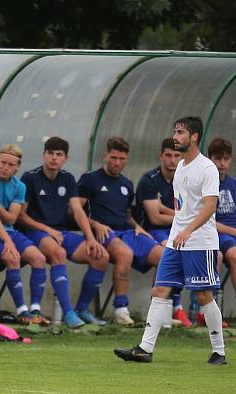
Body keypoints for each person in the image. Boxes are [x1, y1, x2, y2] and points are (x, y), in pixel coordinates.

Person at [115, 116, 226, 365]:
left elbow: (210, 207)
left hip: (200, 242)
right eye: (175, 132)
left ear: (194, 136)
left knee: (203, 296)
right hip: (178, 242)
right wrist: (179, 231)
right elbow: (183, 209)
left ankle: (219, 351)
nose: (175, 137)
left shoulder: (206, 168)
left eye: (180, 132)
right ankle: (144, 349)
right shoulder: (182, 169)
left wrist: (188, 231)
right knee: (160, 289)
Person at [18, 137, 109, 328]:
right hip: (36, 232)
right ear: (44, 155)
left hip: (61, 233)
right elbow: (21, 216)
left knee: (101, 256)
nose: (54, 158)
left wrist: (91, 239)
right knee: (59, 254)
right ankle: (68, 313)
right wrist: (46, 229)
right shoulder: (30, 178)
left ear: (65, 158)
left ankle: (81, 309)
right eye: (50, 153)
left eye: (59, 154)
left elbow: (78, 211)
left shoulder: (67, 179)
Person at [77, 137, 164, 326]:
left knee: (164, 256)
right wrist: (95, 224)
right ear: (105, 156)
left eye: (121, 159)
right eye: (113, 157)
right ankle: (121, 310)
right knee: (125, 254)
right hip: (103, 233)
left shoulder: (126, 184)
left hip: (127, 231)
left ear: (127, 159)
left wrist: (137, 226)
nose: (117, 163)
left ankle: (158, 311)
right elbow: (74, 212)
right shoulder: (90, 179)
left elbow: (125, 214)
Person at [0, 144, 52, 325]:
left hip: (9, 231)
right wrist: (8, 241)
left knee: (39, 258)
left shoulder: (19, 186)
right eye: (3, 162)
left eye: (10, 164)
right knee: (12, 257)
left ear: (17, 167)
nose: (5, 167)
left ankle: (35, 310)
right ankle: (22, 311)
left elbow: (12, 219)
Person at [134, 138, 192, 327]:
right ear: (161, 156)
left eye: (176, 155)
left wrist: (166, 210)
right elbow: (155, 218)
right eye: (168, 155)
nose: (172, 160)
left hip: (179, 229)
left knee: (213, 255)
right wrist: (179, 215)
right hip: (154, 231)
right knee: (171, 252)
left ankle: (200, 310)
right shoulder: (148, 180)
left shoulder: (185, 180)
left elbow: (190, 213)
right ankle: (173, 307)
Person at [209, 137, 235, 326]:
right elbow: (208, 221)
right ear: (210, 159)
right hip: (218, 234)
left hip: (232, 233)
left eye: (226, 159)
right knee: (234, 255)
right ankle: (212, 313)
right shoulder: (207, 184)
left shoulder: (233, 185)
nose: (222, 163)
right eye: (218, 159)